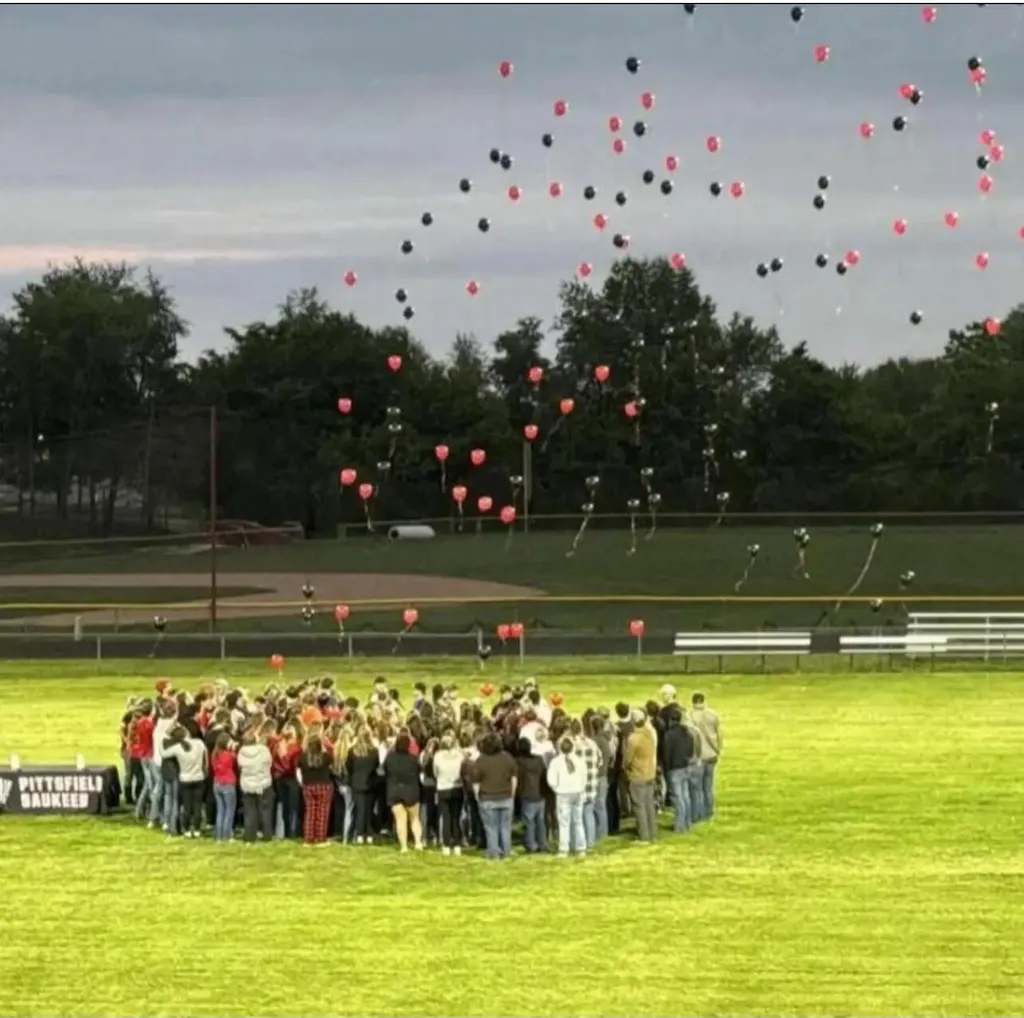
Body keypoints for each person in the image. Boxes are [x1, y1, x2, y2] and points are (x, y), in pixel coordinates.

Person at [470, 732, 517, 860]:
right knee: (505, 827)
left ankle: (494, 853)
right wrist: (512, 793)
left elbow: (476, 783)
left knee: (491, 827)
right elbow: (514, 778)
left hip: (487, 799)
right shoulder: (507, 758)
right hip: (506, 797)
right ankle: (506, 852)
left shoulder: (480, 760)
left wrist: (477, 797)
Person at [163, 725, 208, 838]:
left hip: (185, 779)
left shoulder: (177, 748)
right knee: (197, 805)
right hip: (199, 777)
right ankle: (197, 829)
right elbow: (205, 755)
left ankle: (187, 829)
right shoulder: (199, 743)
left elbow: (163, 753)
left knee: (187, 806)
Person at [546, 736, 586, 858]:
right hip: (578, 792)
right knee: (578, 821)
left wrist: (556, 789)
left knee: (564, 823)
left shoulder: (555, 762)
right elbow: (584, 777)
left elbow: (551, 780)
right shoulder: (579, 760)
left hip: (564, 794)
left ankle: (564, 849)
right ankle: (580, 848)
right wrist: (581, 788)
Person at [384, 733, 423, 851]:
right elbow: (419, 771)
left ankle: (404, 846)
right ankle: (418, 843)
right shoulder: (413, 759)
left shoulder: (390, 758)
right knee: (414, 818)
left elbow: (385, 770)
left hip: (394, 791)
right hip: (411, 791)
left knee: (400, 819)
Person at [624, 710, 657, 843]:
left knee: (639, 806)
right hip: (650, 773)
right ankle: (652, 833)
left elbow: (628, 759)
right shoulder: (649, 734)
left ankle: (644, 836)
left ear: (633, 722)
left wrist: (626, 768)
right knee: (649, 804)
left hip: (638, 775)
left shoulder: (633, 738)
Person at [661, 707, 695, 833]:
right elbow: (691, 751)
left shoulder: (669, 735)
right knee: (685, 796)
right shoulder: (688, 734)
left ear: (670, 720)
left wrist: (666, 768)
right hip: (686, 767)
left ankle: (680, 825)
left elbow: (666, 754)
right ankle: (687, 822)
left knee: (677, 797)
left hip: (674, 769)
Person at [237, 730, 274, 843]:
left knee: (249, 812)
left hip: (247, 785)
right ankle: (267, 835)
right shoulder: (264, 750)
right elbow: (270, 763)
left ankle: (250, 836)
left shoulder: (241, 752)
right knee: (265, 811)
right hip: (264, 783)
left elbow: (239, 766)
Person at [432, 732, 465, 856]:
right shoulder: (459, 755)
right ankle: (457, 845)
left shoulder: (438, 756)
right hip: (457, 787)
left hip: (442, 788)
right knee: (456, 817)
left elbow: (435, 772)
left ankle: (446, 845)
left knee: (445, 818)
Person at [690, 692, 721, 822]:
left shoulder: (690, 716)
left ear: (693, 702)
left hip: (698, 756)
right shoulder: (713, 714)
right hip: (711, 754)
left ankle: (698, 813)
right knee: (708, 785)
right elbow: (719, 734)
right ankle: (709, 812)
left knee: (697, 787)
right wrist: (718, 749)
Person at [298, 735, 334, 846]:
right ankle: (320, 838)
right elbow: (332, 768)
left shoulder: (303, 758)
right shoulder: (326, 757)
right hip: (324, 785)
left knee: (310, 812)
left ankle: (308, 839)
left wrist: (302, 784)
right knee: (322, 813)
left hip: (308, 785)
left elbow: (298, 771)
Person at [347, 730, 379, 845]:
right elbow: (376, 765)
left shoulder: (352, 751)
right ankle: (369, 834)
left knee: (360, 810)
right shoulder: (374, 751)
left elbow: (349, 766)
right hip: (370, 783)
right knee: (369, 809)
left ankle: (359, 834)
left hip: (356, 782)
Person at [516, 736, 547, 854]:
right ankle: (542, 843)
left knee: (529, 822)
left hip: (527, 794)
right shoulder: (539, 760)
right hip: (540, 793)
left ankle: (531, 844)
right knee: (540, 821)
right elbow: (544, 775)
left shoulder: (519, 762)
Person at [210, 732, 238, 842]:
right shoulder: (228, 755)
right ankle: (227, 836)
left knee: (220, 811)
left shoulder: (214, 754)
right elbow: (234, 760)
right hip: (228, 784)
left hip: (217, 784)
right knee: (229, 811)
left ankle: (219, 836)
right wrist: (233, 749)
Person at [331, 728, 355, 845]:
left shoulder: (335, 751)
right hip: (348, 785)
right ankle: (346, 837)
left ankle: (340, 833)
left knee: (340, 810)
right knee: (349, 811)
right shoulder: (350, 752)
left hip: (339, 785)